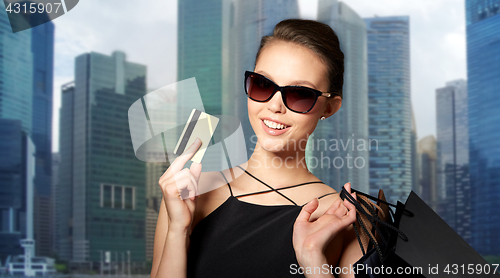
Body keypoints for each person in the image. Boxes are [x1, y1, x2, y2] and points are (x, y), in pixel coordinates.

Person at [151, 19, 362, 278]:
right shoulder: (188, 193)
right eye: (263, 84)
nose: (275, 106)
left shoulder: (344, 218)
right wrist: (178, 230)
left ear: (329, 107)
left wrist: (312, 259)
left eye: (299, 94)